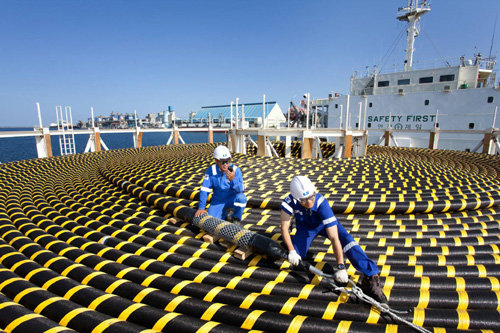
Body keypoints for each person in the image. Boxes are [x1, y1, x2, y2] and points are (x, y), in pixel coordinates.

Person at [280, 175, 387, 303]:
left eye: (311, 197)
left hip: (323, 224)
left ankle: (370, 276)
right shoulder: (288, 202)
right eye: (304, 200)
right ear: (296, 198)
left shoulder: (321, 203)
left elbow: (334, 238)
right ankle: (292, 247)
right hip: (305, 228)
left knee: (347, 241)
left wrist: (341, 267)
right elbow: (284, 228)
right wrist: (291, 250)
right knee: (296, 256)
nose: (309, 202)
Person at [195, 145, 247, 223]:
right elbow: (205, 189)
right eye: (223, 161)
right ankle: (226, 213)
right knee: (211, 223)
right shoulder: (211, 170)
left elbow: (240, 190)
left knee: (241, 198)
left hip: (231, 199)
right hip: (218, 201)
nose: (225, 164)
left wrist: (233, 180)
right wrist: (201, 207)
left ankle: (236, 218)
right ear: (216, 161)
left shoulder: (235, 170)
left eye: (227, 161)